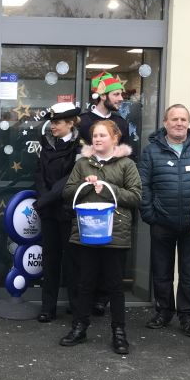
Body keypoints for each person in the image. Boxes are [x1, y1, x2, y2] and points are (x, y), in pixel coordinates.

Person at [60, 119, 142, 355]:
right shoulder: (83, 164)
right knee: (84, 283)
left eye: (102, 135)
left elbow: (136, 196)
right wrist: (85, 187)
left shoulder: (127, 165)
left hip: (114, 234)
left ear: (115, 138)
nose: (97, 139)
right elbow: (67, 192)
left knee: (115, 286)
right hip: (86, 232)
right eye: (94, 135)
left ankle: (119, 332)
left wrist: (108, 188)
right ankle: (80, 327)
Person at [139, 104, 190, 337]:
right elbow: (143, 186)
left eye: (183, 119)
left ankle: (187, 316)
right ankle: (163, 312)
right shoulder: (151, 151)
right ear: (165, 122)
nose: (179, 123)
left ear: (189, 122)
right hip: (162, 223)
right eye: (174, 119)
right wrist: (150, 215)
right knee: (162, 272)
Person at [78, 72, 131, 317]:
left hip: (113, 205)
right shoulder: (84, 121)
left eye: (121, 93)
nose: (121, 98)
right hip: (89, 200)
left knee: (112, 268)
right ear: (102, 95)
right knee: (87, 267)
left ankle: (104, 302)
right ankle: (82, 316)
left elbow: (125, 163)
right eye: (117, 94)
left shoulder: (122, 122)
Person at [34, 102, 81, 323]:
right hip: (49, 211)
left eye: (57, 122)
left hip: (67, 210)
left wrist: (45, 198)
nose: (52, 126)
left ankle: (76, 307)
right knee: (50, 261)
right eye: (52, 122)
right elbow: (40, 174)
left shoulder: (80, 147)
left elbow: (71, 179)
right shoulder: (47, 143)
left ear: (70, 124)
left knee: (72, 263)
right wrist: (44, 198)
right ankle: (47, 307)